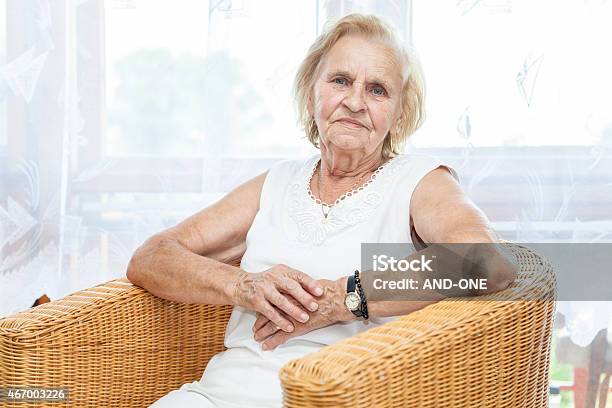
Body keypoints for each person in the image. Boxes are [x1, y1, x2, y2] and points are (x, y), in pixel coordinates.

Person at [127, 13, 516, 408]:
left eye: (378, 90)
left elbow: (485, 263)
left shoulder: (418, 180)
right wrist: (242, 285)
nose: (354, 101)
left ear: (399, 114)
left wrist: (341, 298)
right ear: (312, 91)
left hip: (333, 397)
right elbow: (151, 257)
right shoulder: (277, 182)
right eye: (340, 81)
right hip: (216, 396)